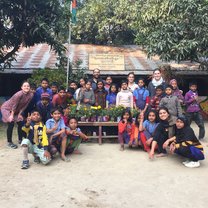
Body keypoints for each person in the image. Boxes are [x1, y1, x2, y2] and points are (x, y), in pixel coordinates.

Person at [1, 81, 34, 148]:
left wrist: (19, 113)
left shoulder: (31, 95)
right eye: (24, 86)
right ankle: (9, 142)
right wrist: (11, 115)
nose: (26, 87)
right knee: (11, 122)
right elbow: (14, 105)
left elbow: (25, 105)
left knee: (20, 122)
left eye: (28, 86)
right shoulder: (18, 94)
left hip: (16, 110)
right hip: (7, 108)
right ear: (21, 87)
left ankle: (20, 139)